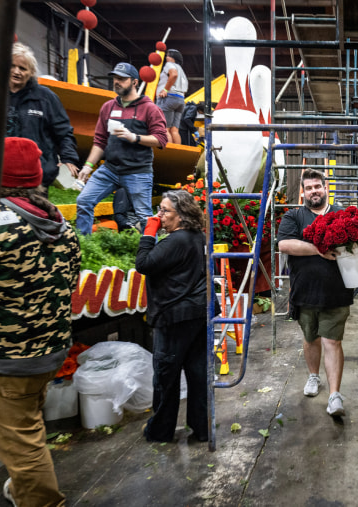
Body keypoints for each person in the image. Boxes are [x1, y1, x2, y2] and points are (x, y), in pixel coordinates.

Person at [0, 137, 81, 506]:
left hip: (5, 357)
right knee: (28, 428)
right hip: (50, 349)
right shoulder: (62, 227)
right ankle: (21, 489)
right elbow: (72, 280)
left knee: (21, 441)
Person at [277, 168, 358, 417]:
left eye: (318, 186)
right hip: (304, 291)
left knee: (332, 341)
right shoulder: (294, 216)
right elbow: (284, 244)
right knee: (311, 338)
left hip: (336, 291)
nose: (314, 191)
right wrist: (318, 249)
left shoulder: (341, 214)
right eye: (309, 187)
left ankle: (335, 395)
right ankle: (314, 376)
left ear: (325, 188)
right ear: (303, 192)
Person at [135, 189, 208, 443]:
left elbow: (143, 264)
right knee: (198, 373)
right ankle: (202, 428)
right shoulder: (196, 236)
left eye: (165, 211)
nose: (160, 215)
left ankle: (160, 430)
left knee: (166, 375)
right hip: (197, 312)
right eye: (160, 210)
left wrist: (148, 232)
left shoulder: (175, 241)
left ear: (182, 215)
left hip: (175, 315)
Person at [0, 42, 80, 194]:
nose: (16, 72)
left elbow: (64, 131)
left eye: (22, 68)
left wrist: (69, 159)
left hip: (36, 178)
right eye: (12, 66)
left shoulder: (46, 98)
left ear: (31, 72)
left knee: (32, 215)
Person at [75, 62, 168, 235]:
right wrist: (88, 165)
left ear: (134, 82)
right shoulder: (108, 107)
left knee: (144, 217)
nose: (117, 82)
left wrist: (135, 137)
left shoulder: (150, 109)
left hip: (138, 171)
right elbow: (100, 140)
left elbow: (161, 139)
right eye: (115, 79)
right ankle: (82, 248)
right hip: (109, 169)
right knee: (84, 200)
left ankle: (151, 257)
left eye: (122, 79)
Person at [156, 49, 189, 145]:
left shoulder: (169, 65)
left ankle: (168, 153)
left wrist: (165, 89)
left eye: (168, 55)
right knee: (174, 130)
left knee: (165, 129)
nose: (166, 57)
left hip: (168, 98)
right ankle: (177, 155)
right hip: (180, 100)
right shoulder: (182, 71)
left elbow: (173, 74)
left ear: (173, 58)